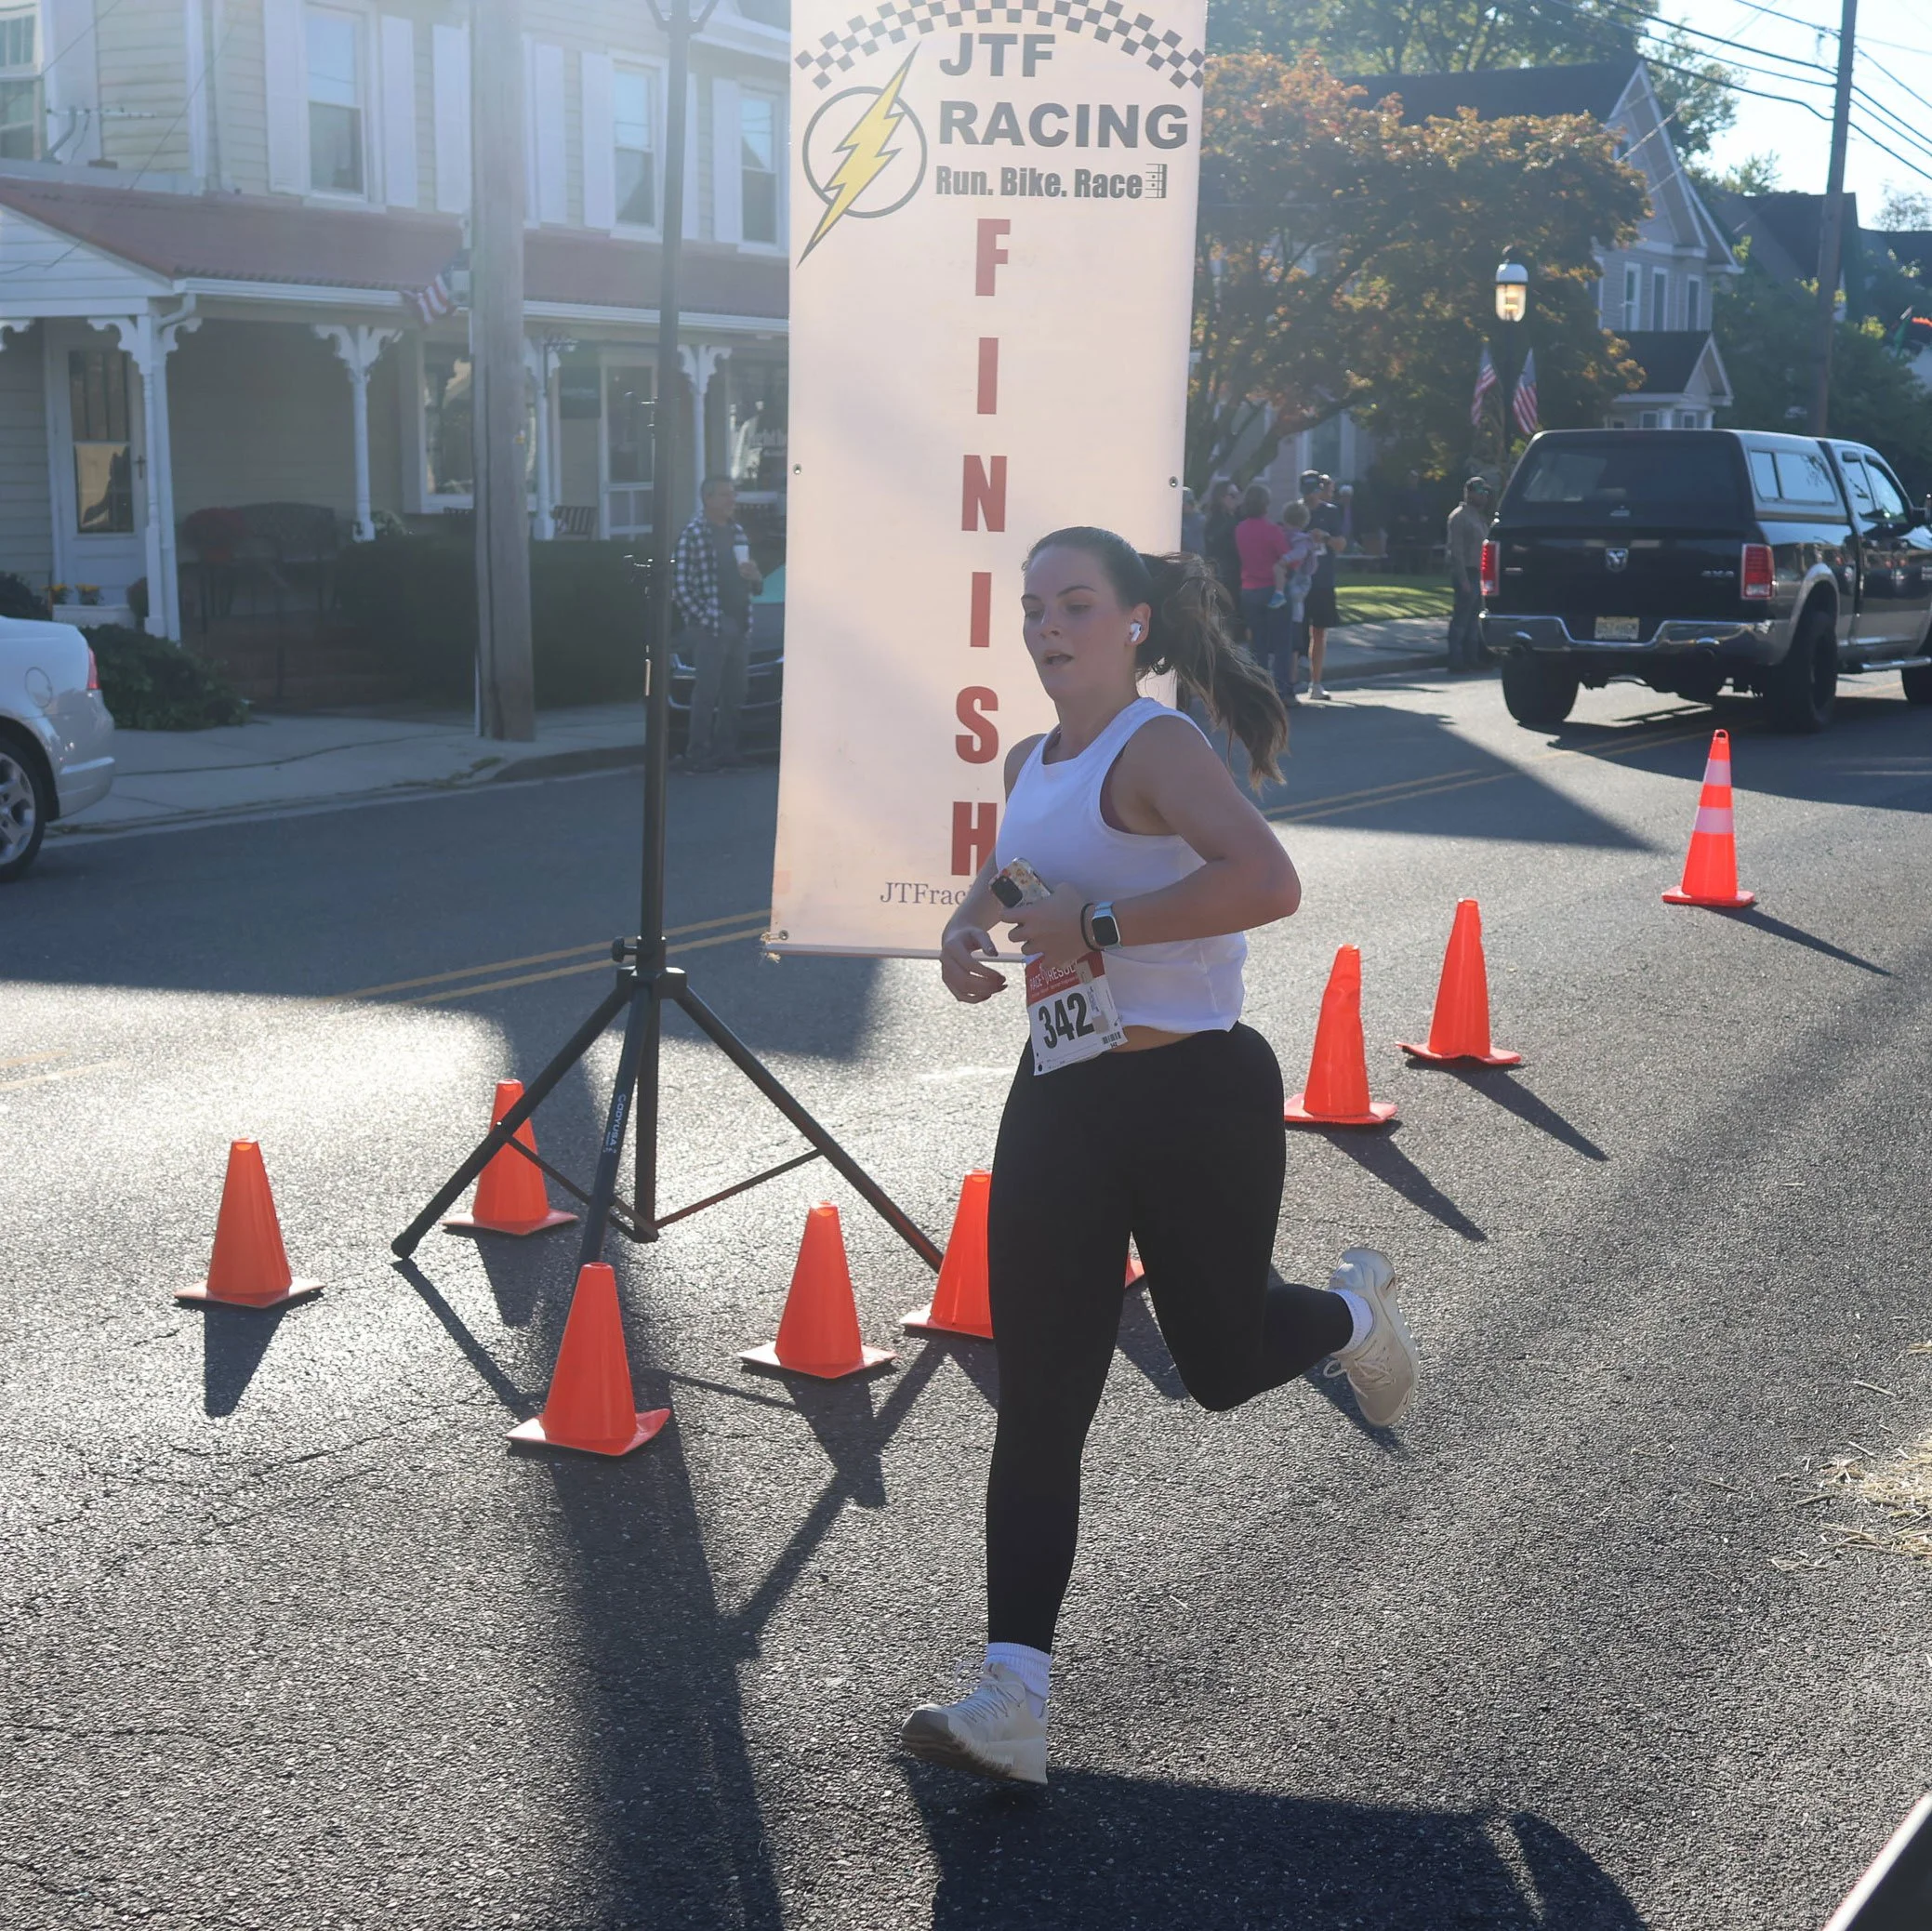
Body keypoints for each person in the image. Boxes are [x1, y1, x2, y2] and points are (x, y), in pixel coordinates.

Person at [899, 526, 1420, 1788]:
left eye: (1073, 604)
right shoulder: (1031, 762)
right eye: (1031, 609)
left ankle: (1352, 1314)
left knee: (1223, 1366)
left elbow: (1268, 880)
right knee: (1042, 1401)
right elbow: (998, 904)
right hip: (1064, 1096)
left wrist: (1101, 920)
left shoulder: (1161, 746)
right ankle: (1012, 1696)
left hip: (1197, 1092)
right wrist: (966, 948)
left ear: (1133, 621)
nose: (1046, 629)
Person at [671, 476, 762, 771]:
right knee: (706, 692)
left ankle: (726, 750)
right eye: (724, 495)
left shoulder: (736, 532)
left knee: (735, 693)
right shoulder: (694, 535)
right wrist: (710, 620)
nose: (731, 500)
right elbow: (681, 588)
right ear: (707, 499)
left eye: (733, 494)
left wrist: (755, 577)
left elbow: (753, 581)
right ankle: (698, 753)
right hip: (711, 627)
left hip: (740, 622)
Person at [1233, 482, 1290, 693]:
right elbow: (1288, 559)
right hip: (1271, 588)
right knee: (1281, 642)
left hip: (1249, 588)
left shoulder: (1240, 529)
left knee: (1257, 643)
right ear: (1266, 505)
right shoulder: (1272, 530)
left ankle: (1259, 688)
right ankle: (1282, 689)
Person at [1299, 471, 1347, 701]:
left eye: (1314, 490)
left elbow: (1341, 544)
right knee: (1295, 635)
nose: (1310, 496)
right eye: (1307, 491)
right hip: (1298, 580)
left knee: (1319, 632)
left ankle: (1315, 683)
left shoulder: (1331, 512)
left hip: (1323, 579)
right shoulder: (1295, 511)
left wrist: (1325, 537)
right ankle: (1288, 684)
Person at [1270, 499, 1322, 702]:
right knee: (1293, 638)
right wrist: (1285, 560)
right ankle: (1289, 681)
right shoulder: (1302, 539)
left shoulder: (1280, 535)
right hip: (1297, 587)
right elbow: (1299, 555)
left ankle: (1281, 679)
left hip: (1280, 585)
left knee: (1280, 635)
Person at [1445, 476, 1493, 674]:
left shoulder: (1479, 517)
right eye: (1480, 493)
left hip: (1479, 572)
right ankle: (1455, 659)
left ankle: (1472, 658)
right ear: (1470, 492)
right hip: (1466, 571)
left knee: (1474, 619)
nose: (1484, 497)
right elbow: (1456, 551)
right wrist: (1463, 579)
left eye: (1486, 493)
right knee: (1461, 618)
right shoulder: (1459, 517)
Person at [1201, 479, 1243, 619]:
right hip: (1223, 574)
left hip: (1238, 573)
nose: (1236, 499)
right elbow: (1214, 541)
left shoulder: (1238, 518)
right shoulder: (1215, 520)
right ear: (1221, 497)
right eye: (1232, 495)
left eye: (1238, 495)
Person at [1178, 485, 1206, 559]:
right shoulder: (1177, 520)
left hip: (1197, 559)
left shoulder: (1201, 519)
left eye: (1185, 504)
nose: (1182, 506)